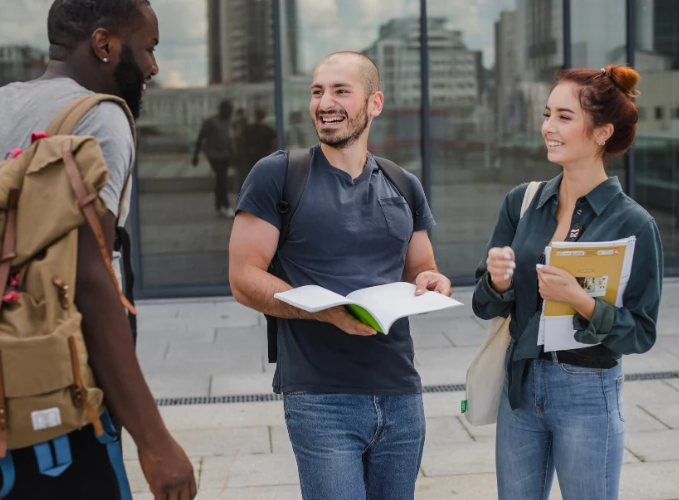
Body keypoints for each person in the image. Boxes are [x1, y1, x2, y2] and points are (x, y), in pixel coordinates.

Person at [0, 1, 197, 498]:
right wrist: (156, 441)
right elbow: (89, 281)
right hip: (61, 384)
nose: (154, 67)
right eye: (148, 49)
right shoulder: (99, 117)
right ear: (104, 45)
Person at [228, 51, 452, 500]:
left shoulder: (403, 183)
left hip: (401, 392)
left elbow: (422, 269)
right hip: (319, 396)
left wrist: (432, 282)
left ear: (374, 103)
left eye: (340, 91)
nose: (324, 102)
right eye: (317, 91)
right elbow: (243, 278)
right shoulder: (278, 175)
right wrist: (326, 312)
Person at [473, 65, 663, 500]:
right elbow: (485, 305)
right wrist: (497, 283)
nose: (548, 128)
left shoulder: (633, 223)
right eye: (547, 114)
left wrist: (581, 301)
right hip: (519, 387)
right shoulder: (521, 202)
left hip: (588, 391)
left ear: (601, 133)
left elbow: (642, 332)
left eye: (564, 117)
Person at [192, 100, 235, 218]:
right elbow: (200, 137)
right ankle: (226, 206)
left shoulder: (228, 122)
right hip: (214, 155)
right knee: (222, 179)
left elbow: (229, 139)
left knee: (221, 180)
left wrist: (233, 153)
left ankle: (218, 206)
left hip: (225, 155)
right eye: (228, 110)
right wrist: (195, 155)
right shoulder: (211, 122)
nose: (230, 113)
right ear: (221, 110)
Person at [237, 107, 276, 189]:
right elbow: (273, 145)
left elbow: (242, 143)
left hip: (250, 159)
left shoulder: (248, 129)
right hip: (265, 158)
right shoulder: (268, 130)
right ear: (265, 116)